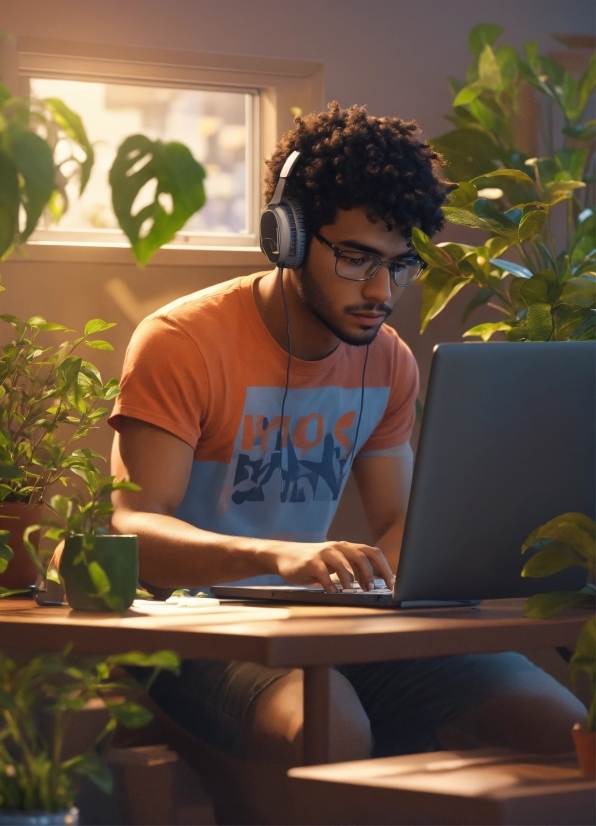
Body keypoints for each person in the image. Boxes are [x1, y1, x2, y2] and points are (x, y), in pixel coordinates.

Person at [109, 103, 586, 766]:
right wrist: (277, 557)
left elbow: (396, 523)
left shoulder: (388, 360)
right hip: (194, 632)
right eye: (358, 258)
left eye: (400, 265)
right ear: (290, 238)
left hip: (328, 631)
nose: (381, 290)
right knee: (333, 727)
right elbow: (134, 529)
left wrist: (394, 574)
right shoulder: (183, 342)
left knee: (561, 727)